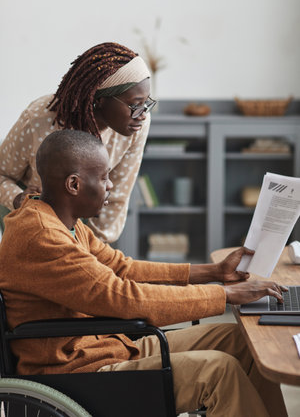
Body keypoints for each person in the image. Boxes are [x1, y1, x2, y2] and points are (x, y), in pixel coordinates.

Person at [0, 130, 288, 417]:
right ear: (74, 184)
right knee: (218, 371)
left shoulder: (63, 221)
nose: (111, 185)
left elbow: (124, 268)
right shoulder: (43, 236)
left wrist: (214, 272)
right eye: (103, 177)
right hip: (79, 372)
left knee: (242, 343)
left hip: (111, 347)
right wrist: (223, 295)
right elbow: (123, 298)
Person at [0, 42, 154, 242]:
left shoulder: (137, 125)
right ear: (100, 100)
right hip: (27, 213)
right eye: (135, 105)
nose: (142, 114)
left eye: (146, 103)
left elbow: (117, 196)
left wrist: (96, 249)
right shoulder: (39, 119)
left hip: (86, 219)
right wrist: (20, 200)